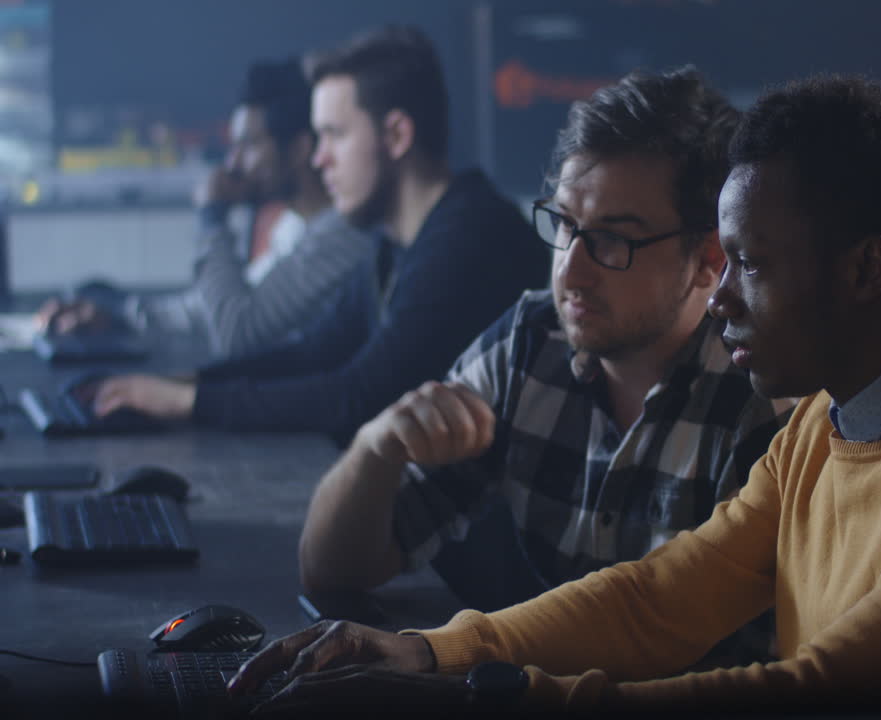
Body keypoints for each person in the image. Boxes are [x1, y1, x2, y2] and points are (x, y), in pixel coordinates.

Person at [228, 74, 881, 712]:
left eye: (752, 266)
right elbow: (655, 601)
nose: (721, 296)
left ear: (865, 271)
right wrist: (433, 654)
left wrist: (481, 693)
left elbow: (815, 696)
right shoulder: (829, 417)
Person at [295, 67, 795, 637]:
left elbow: (691, 643)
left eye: (613, 238)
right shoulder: (531, 340)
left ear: (709, 257)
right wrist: (375, 449)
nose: (570, 272)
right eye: (564, 224)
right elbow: (330, 569)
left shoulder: (764, 395)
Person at [83, 26, 549, 444]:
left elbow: (360, 396)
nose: (318, 158)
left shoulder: (467, 239)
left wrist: (185, 402)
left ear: (397, 135)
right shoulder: (395, 240)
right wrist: (186, 383)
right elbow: (315, 353)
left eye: (333, 135)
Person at [37, 58, 374, 360]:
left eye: (248, 145)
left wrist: (212, 218)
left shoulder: (343, 236)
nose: (233, 162)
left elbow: (235, 333)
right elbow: (211, 313)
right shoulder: (292, 224)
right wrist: (117, 313)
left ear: (300, 148)